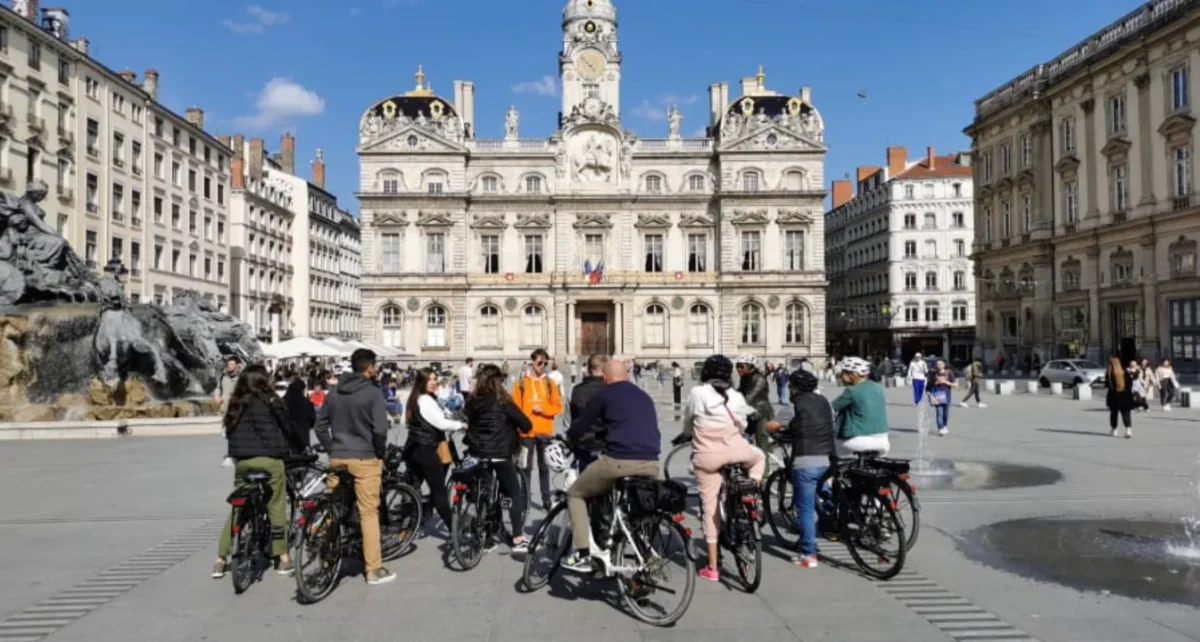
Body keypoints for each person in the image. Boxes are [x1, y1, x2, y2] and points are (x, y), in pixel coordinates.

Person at [563, 360, 660, 572]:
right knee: (631, 508)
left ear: (606, 378)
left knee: (575, 494)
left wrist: (570, 439)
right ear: (627, 375)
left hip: (620, 462)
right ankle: (632, 542)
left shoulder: (605, 394)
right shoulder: (644, 396)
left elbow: (582, 424)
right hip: (651, 463)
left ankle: (582, 553)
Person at [680, 355, 766, 582]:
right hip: (738, 451)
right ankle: (751, 490)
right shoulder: (736, 396)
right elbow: (742, 424)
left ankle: (712, 567)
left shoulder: (697, 393)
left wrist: (687, 433)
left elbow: (688, 422)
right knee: (759, 458)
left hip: (707, 457)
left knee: (710, 509)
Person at [313, 349, 396, 586]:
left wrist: (332, 449)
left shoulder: (334, 391)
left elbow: (320, 427)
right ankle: (373, 569)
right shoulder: (373, 393)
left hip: (338, 458)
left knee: (333, 508)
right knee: (368, 513)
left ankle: (326, 559)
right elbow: (380, 430)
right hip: (365, 458)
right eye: (375, 366)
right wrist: (379, 452)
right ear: (369, 367)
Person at [212, 364, 296, 579]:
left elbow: (228, 430)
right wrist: (297, 447)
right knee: (276, 505)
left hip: (243, 463)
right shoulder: (271, 400)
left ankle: (221, 559)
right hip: (270, 460)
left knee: (238, 508)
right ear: (263, 380)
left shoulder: (236, 403)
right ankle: (282, 557)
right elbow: (288, 427)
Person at [766, 368, 833, 569]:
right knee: (824, 492)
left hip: (805, 460)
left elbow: (774, 426)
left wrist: (762, 425)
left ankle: (808, 554)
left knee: (804, 510)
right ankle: (835, 520)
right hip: (828, 459)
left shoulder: (793, 404)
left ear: (793, 387)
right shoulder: (824, 401)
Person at [463, 364, 534, 553]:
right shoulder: (504, 401)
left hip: (478, 453)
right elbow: (527, 424)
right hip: (501, 454)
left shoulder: (472, 402)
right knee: (513, 493)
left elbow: (469, 421)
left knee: (483, 492)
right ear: (499, 381)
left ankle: (484, 534)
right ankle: (518, 538)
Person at [402, 367, 465, 533]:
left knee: (414, 487)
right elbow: (442, 423)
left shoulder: (420, 398)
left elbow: (443, 415)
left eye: (435, 379)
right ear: (422, 381)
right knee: (439, 492)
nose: (434, 382)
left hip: (414, 448)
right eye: (429, 379)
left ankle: (411, 521)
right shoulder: (424, 400)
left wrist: (452, 416)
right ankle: (454, 528)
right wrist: (461, 425)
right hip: (426, 450)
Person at [512, 349, 563, 511]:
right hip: (526, 433)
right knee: (525, 468)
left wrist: (544, 410)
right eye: (539, 362)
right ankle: (524, 500)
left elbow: (558, 407)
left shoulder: (550, 384)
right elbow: (515, 409)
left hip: (545, 432)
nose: (542, 366)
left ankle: (546, 501)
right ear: (532, 362)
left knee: (544, 468)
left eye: (545, 363)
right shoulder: (520, 384)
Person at [830, 357, 890, 456]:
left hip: (858, 441)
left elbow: (830, 408)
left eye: (843, 372)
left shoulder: (851, 391)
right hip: (883, 440)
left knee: (828, 447)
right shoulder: (878, 388)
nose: (840, 375)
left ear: (854, 374)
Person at [734, 355, 774, 453]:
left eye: (741, 366)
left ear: (751, 366)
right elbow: (738, 393)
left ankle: (764, 466)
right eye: (737, 366)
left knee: (761, 446)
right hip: (750, 413)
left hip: (761, 413)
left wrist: (735, 406)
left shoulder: (759, 379)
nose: (738, 369)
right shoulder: (744, 378)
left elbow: (749, 396)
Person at [569, 354, 608, 444]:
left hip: (582, 442)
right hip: (605, 442)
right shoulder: (611, 389)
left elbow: (569, 420)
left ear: (589, 369)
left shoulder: (575, 390)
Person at [216, 356, 242, 467]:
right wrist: (217, 396)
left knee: (235, 432)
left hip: (237, 409)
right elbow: (218, 387)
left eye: (232, 364)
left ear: (237, 365)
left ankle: (233, 455)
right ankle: (234, 454)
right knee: (227, 432)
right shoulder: (223, 375)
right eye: (228, 364)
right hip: (225, 408)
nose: (229, 366)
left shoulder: (241, 377)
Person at [282, 375, 315, 454]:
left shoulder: (283, 402)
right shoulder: (306, 403)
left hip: (287, 437)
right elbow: (312, 418)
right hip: (303, 437)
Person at [1106, 355, 1134, 438]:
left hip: (1113, 396)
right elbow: (1130, 385)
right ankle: (1128, 429)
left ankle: (1114, 429)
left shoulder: (1109, 374)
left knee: (1114, 413)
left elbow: (1107, 385)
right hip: (1125, 395)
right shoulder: (1125, 373)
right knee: (1126, 413)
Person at [927, 360, 955, 436]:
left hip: (947, 397)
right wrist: (931, 397)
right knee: (939, 413)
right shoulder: (933, 374)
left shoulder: (949, 373)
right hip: (937, 397)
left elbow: (955, 385)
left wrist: (945, 382)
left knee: (946, 414)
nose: (938, 365)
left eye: (940, 363)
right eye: (937, 364)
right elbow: (928, 388)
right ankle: (940, 428)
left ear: (944, 365)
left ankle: (944, 425)